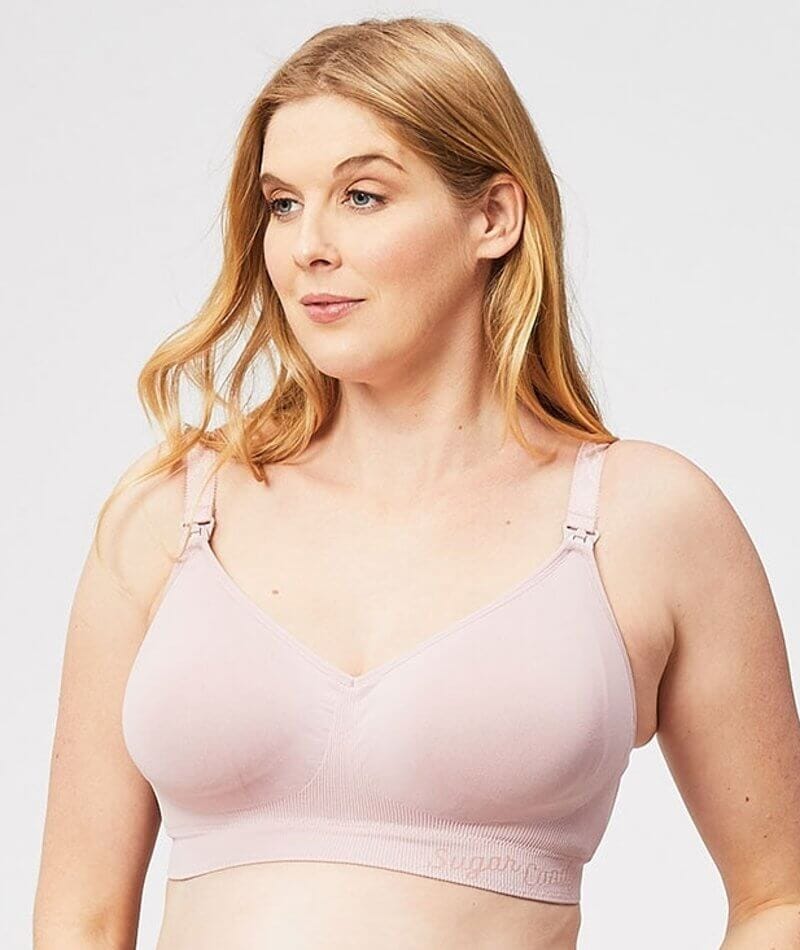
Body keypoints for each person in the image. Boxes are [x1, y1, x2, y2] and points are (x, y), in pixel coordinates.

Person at [33, 15, 800, 950]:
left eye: (362, 196)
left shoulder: (644, 519)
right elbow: (80, 918)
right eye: (282, 204)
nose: (308, 245)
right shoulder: (167, 516)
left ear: (494, 217)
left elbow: (782, 898)